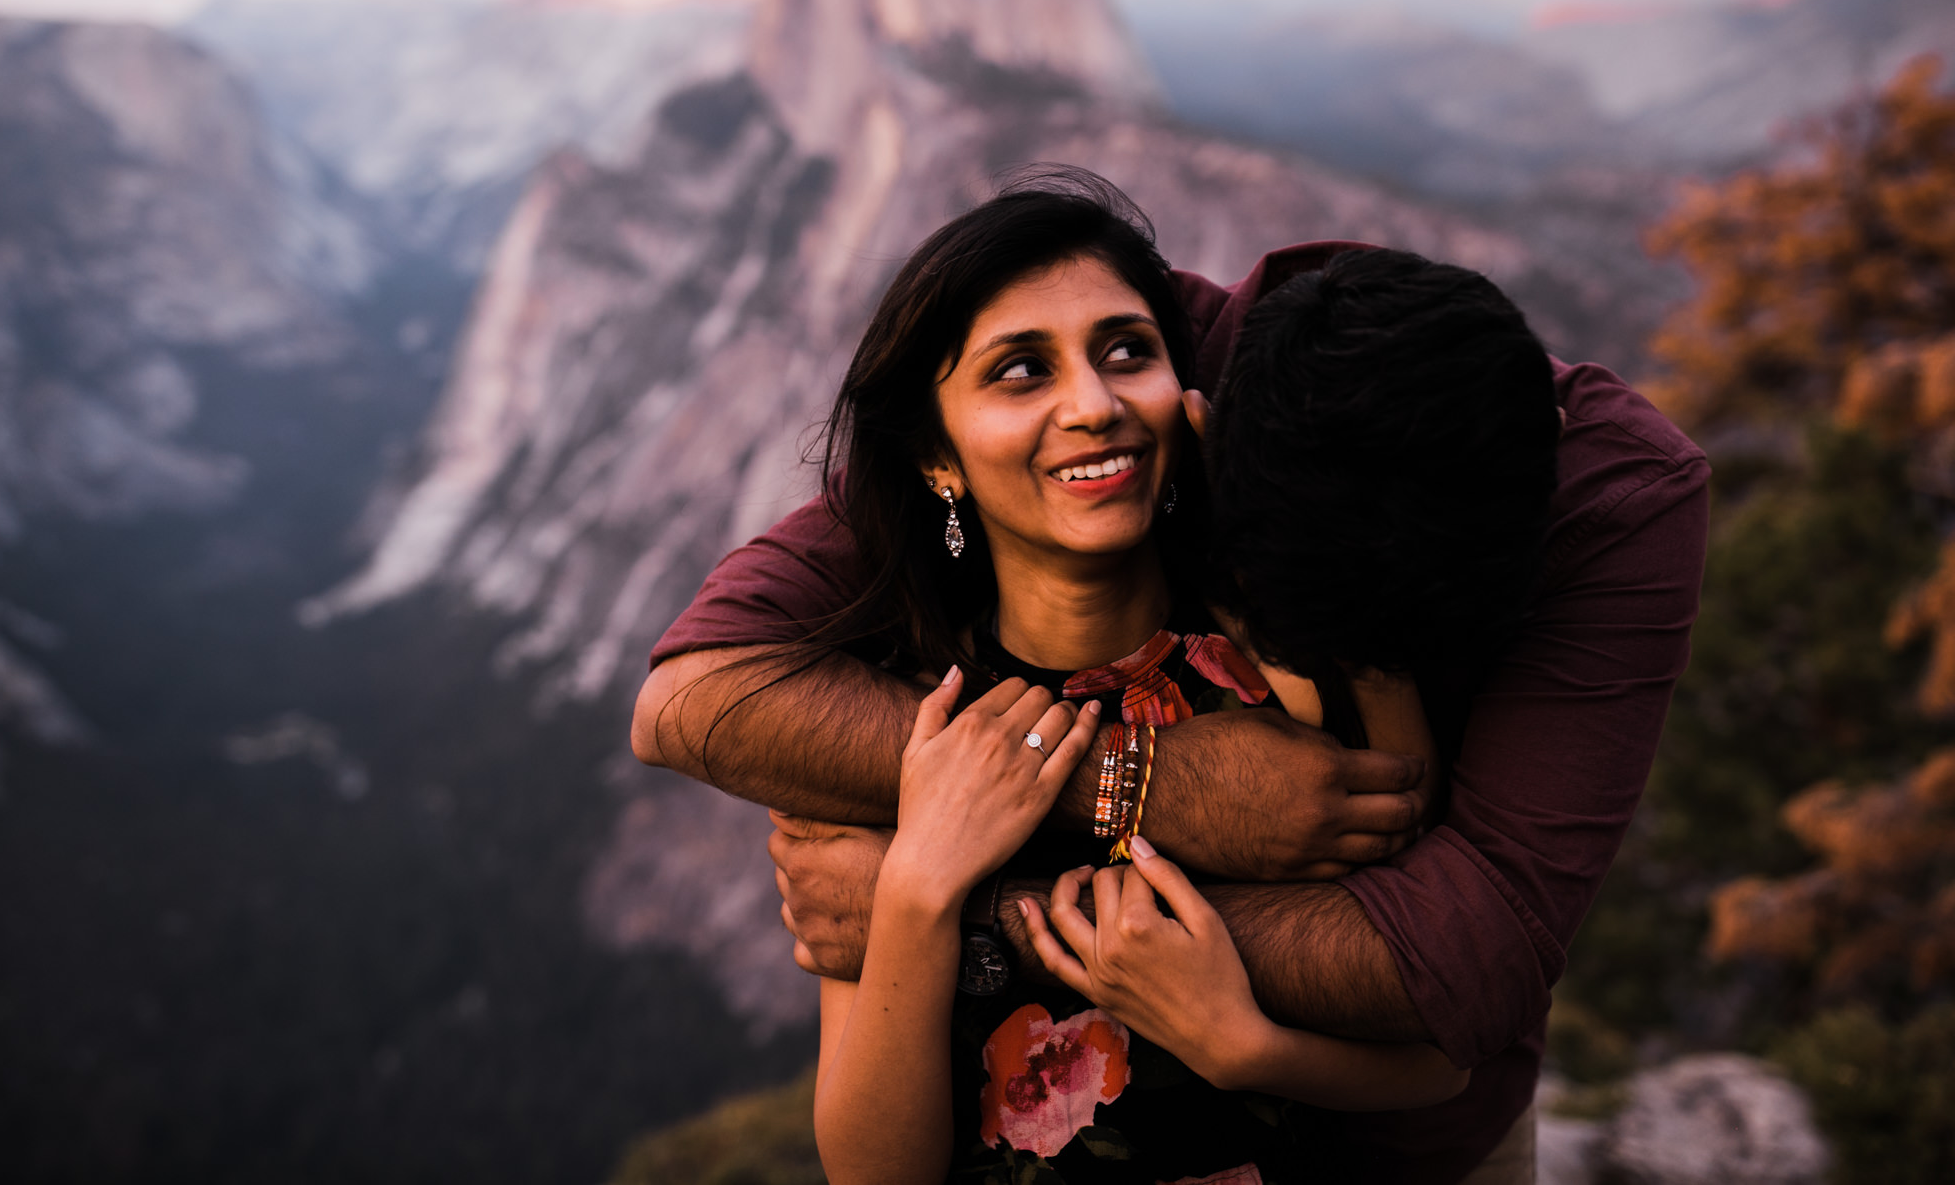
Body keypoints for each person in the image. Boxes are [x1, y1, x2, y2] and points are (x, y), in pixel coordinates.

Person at [635, 181, 1710, 1183]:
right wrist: (1091, 804)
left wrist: (959, 905)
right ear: (936, 458)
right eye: (1022, 370)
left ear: (1184, 412)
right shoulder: (926, 723)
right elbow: (873, 1166)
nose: (1093, 403)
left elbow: (1435, 1006)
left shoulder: (1281, 678)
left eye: (1122, 354)